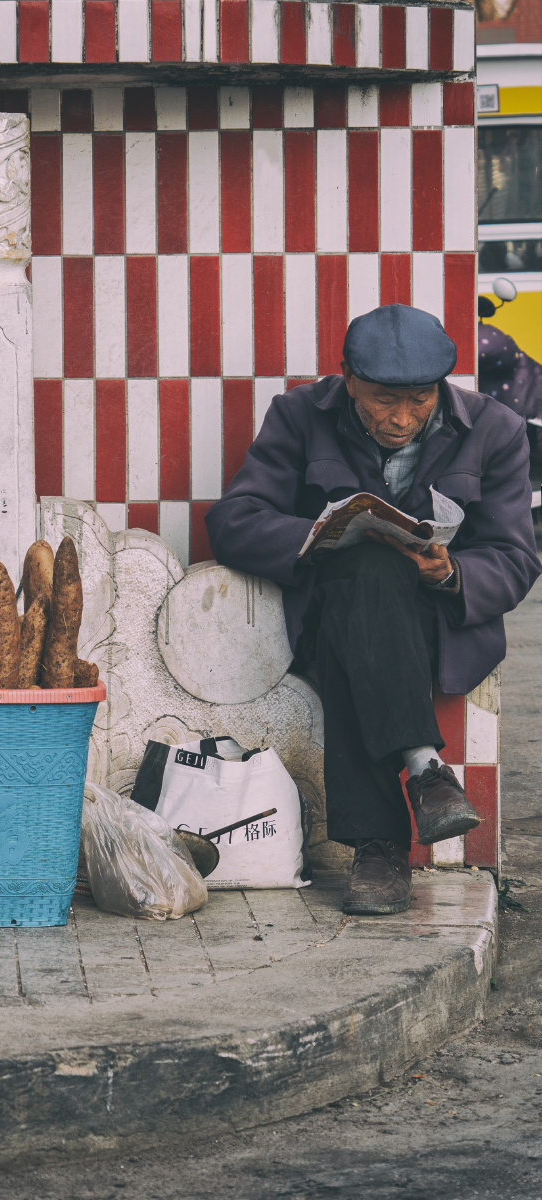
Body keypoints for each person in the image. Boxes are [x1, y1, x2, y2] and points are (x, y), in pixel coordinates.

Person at [206, 304, 541, 916]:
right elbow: (233, 522)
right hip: (331, 614)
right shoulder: (300, 415)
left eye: (419, 400)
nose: (402, 418)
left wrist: (451, 572)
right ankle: (426, 770)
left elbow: (516, 558)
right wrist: (318, 537)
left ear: (439, 387)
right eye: (385, 400)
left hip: (435, 626)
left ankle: (380, 847)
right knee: (364, 574)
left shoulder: (495, 429)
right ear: (349, 379)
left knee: (365, 611)